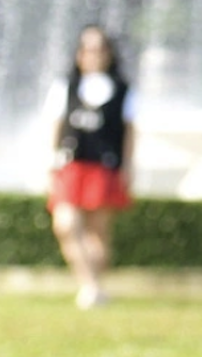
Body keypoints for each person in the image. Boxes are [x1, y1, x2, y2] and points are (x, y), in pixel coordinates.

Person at [47, 25, 137, 310]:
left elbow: (130, 132)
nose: (93, 56)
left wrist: (128, 167)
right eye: (87, 50)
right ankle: (89, 285)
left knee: (98, 233)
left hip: (104, 166)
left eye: (99, 49)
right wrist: (50, 161)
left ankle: (94, 287)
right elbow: (55, 126)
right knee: (66, 224)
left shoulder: (122, 90)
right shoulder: (66, 87)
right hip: (72, 165)